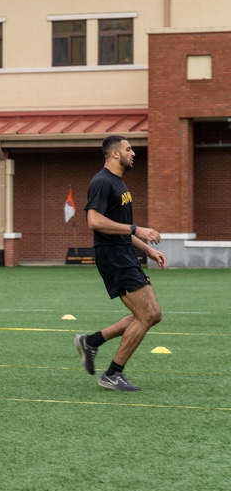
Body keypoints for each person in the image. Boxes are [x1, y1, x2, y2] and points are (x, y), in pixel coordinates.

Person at [74, 135, 166, 392]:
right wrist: (137, 228)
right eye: (128, 149)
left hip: (124, 253)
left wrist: (147, 249)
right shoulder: (102, 182)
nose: (133, 152)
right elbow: (94, 221)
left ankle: (91, 341)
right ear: (114, 154)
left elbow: (120, 230)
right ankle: (113, 374)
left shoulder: (119, 183)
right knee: (145, 314)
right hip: (113, 257)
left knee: (153, 315)